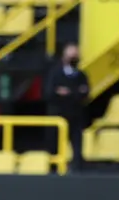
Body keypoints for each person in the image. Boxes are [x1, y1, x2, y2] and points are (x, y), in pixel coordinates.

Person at [44, 42, 89, 170]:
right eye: (71, 56)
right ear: (64, 57)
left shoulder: (81, 75)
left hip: (76, 116)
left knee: (77, 145)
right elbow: (49, 93)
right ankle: (53, 171)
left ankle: (77, 170)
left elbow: (85, 93)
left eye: (76, 55)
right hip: (57, 115)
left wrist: (68, 92)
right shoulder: (55, 74)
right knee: (54, 146)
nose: (74, 58)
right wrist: (73, 93)